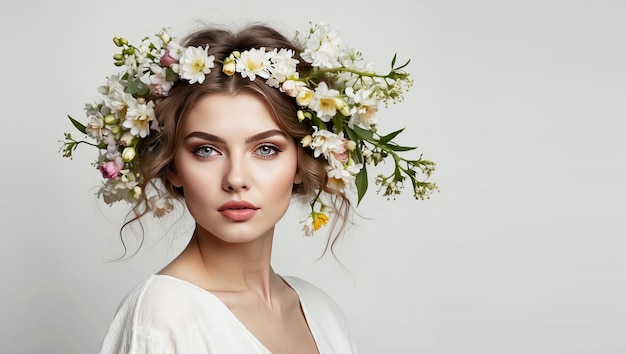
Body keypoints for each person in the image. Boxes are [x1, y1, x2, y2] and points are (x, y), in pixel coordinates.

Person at [61, 20, 437, 354]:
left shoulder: (320, 311)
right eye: (206, 150)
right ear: (173, 166)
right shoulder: (163, 316)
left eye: (266, 149)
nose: (236, 178)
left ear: (301, 162)